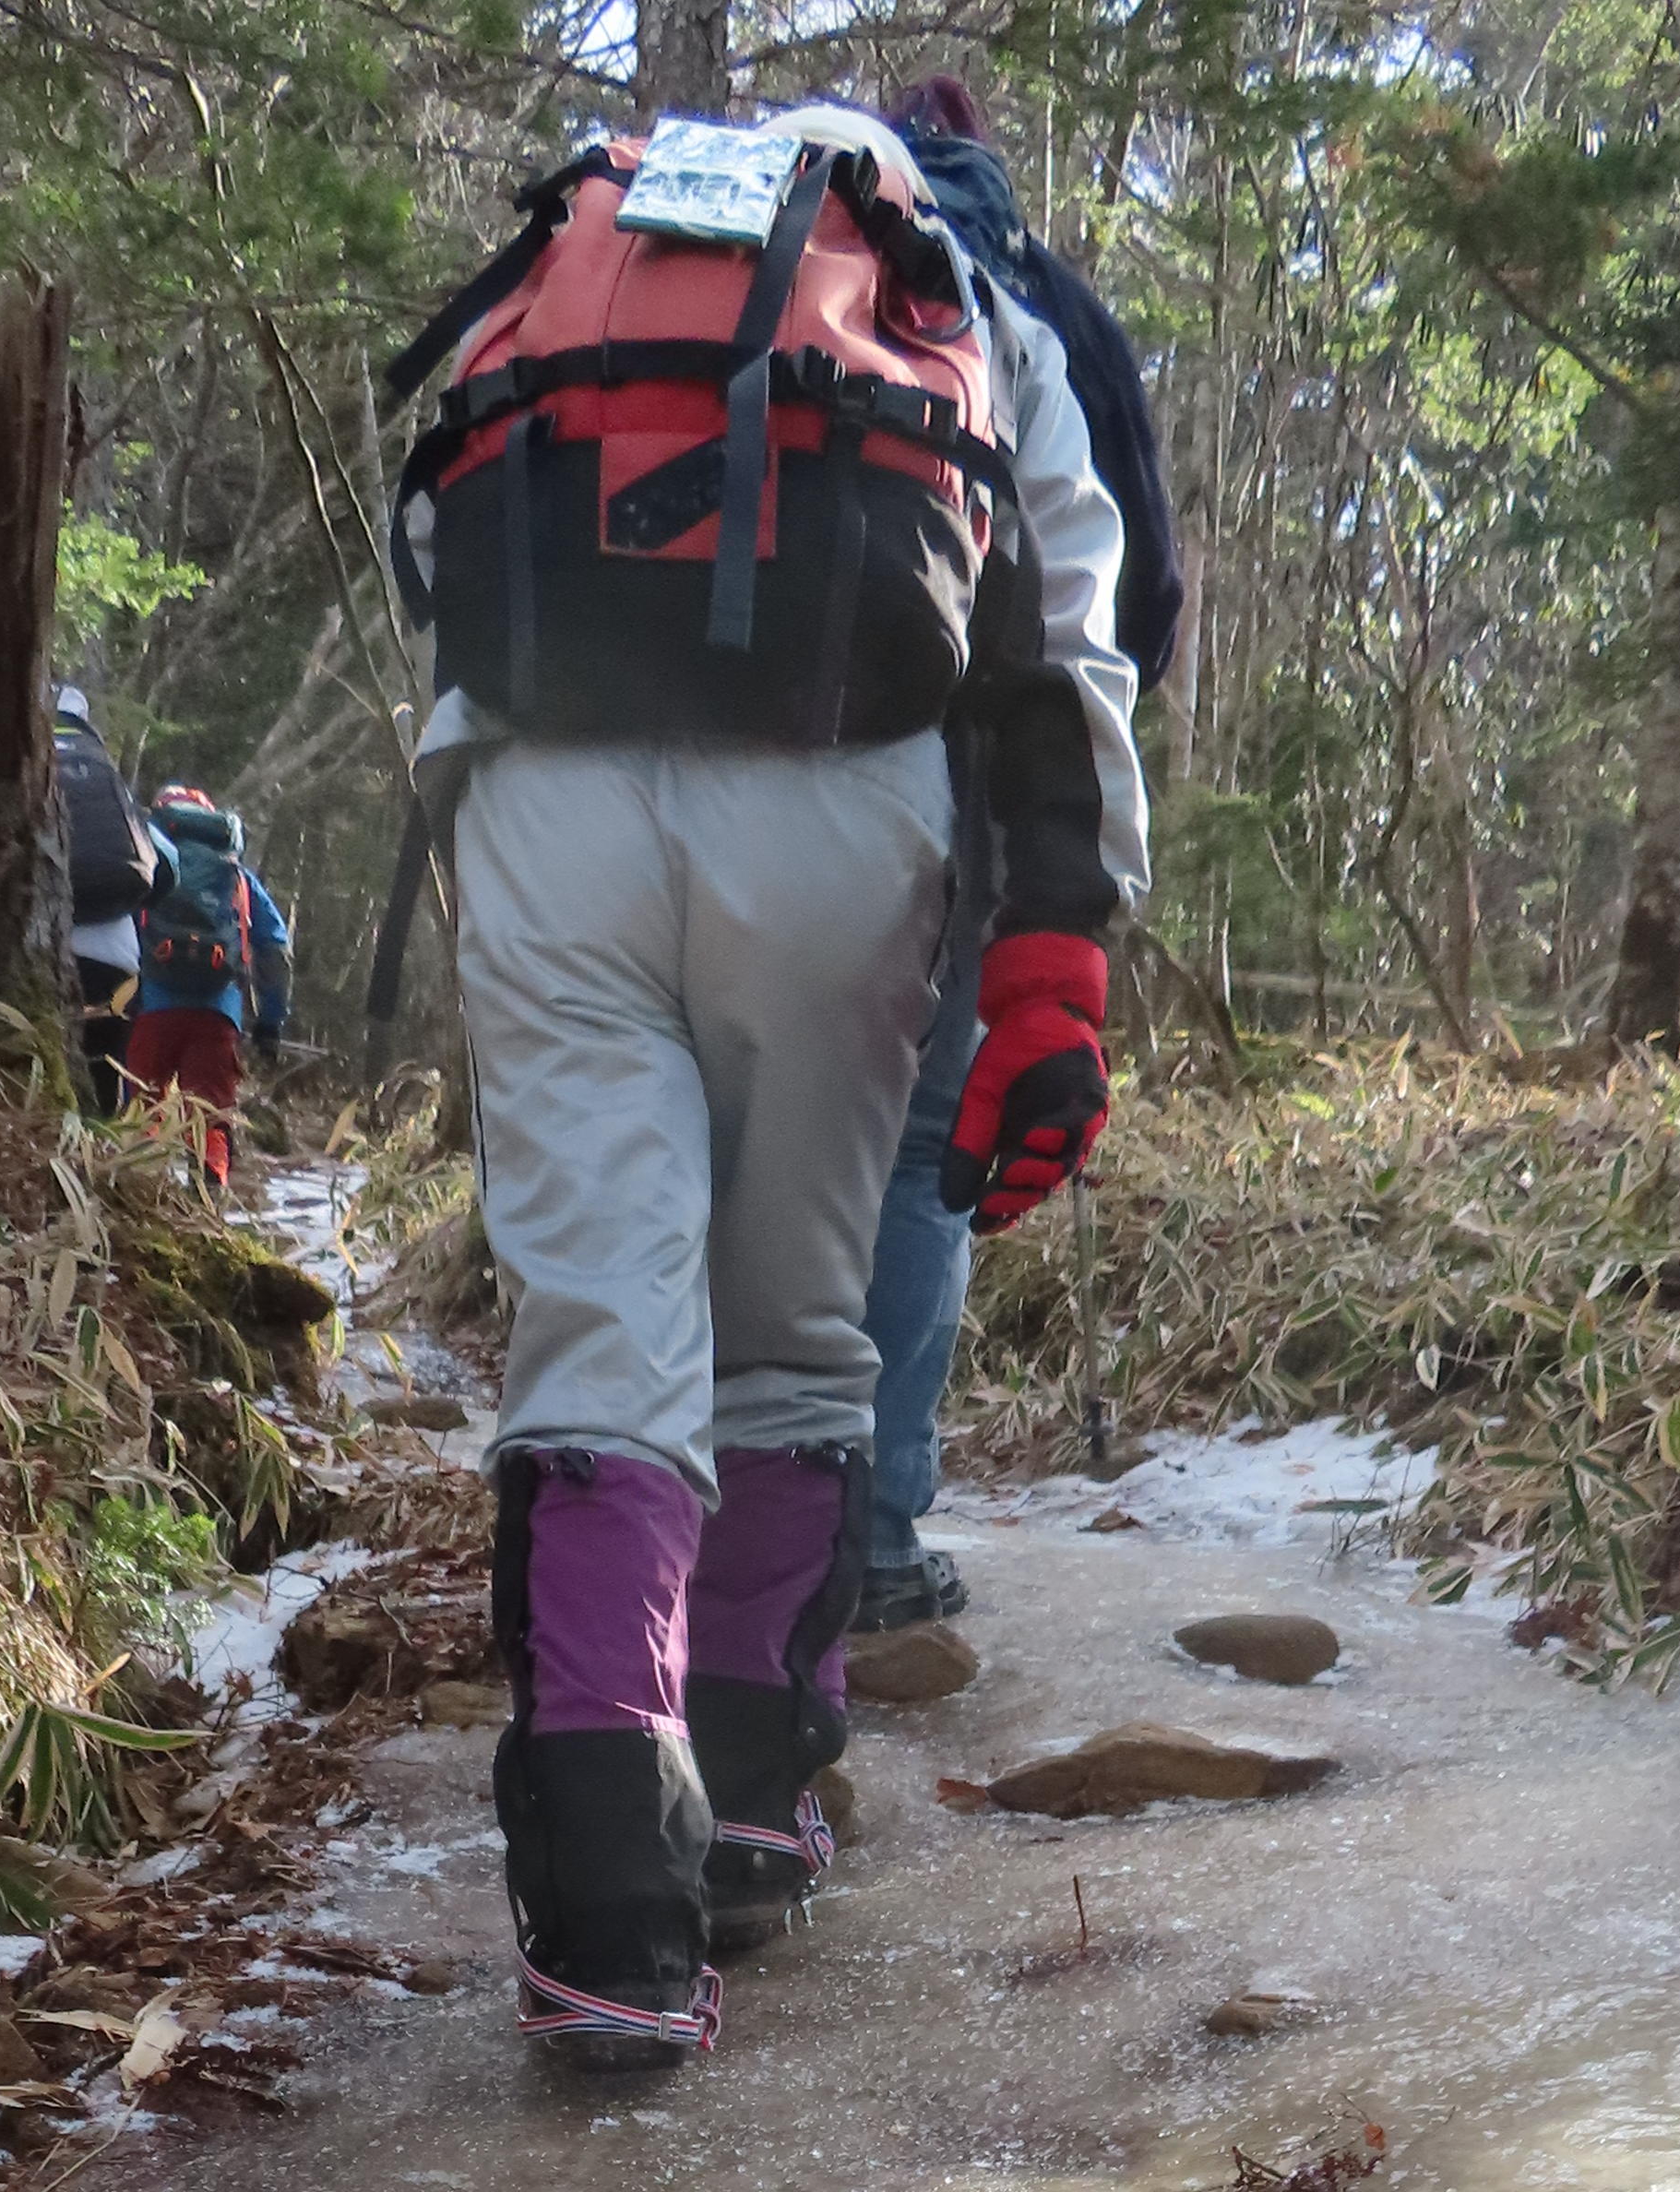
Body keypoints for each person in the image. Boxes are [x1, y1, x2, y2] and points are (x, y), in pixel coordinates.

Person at [387, 97, 1149, 2067]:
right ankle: (739, 1809)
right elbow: (1068, 613)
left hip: (543, 800)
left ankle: (606, 1932)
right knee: (798, 1331)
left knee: (600, 1322)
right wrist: (1058, 946)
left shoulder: (598, 246)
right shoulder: (949, 287)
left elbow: (442, 542)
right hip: (841, 812)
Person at [859, 78, 1184, 1626]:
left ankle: (679, 1550)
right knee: (922, 1151)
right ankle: (869, 1542)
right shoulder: (1032, 311)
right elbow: (1130, 585)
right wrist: (1078, 836)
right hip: (971, 769)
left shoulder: (780, 264)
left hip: (686, 759)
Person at [125, 788, 293, 1186]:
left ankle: (141, 1192)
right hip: (217, 1012)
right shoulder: (237, 878)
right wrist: (270, 1023)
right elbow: (275, 952)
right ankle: (209, 1197)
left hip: (151, 1007)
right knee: (210, 1114)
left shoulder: (148, 865)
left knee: (144, 1108)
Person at [54, 689, 154, 1116]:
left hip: (41, 947)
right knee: (101, 1085)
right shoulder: (104, 772)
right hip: (114, 958)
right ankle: (97, 1144)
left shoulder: (14, 766)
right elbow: (163, 867)